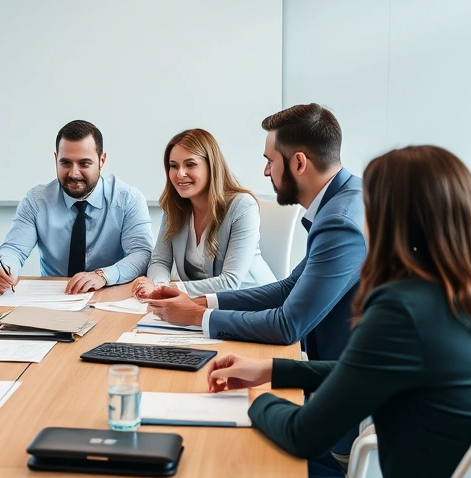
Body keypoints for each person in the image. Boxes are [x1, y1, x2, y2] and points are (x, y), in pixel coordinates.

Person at [203, 145, 471, 478]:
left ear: (392, 217)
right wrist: (272, 369)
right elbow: (364, 370)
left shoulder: (401, 307)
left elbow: (303, 434)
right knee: (316, 461)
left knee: (254, 461)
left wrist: (253, 403)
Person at [146, 104, 365, 364]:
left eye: (270, 161)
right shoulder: (345, 200)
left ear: (298, 162)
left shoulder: (339, 223)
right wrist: (203, 303)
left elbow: (287, 325)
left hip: (345, 378)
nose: (265, 171)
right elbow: (288, 288)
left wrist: (196, 316)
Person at [0, 119, 153, 294]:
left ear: (102, 160)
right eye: (65, 163)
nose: (74, 173)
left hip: (110, 294)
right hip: (54, 298)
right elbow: (13, 249)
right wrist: (1, 268)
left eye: (84, 164)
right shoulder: (36, 201)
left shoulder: (128, 199)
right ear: (55, 159)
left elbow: (141, 253)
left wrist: (103, 276)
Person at [131, 128, 275, 299]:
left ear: (211, 166)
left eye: (190, 164)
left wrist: (168, 290)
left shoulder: (242, 206)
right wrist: (160, 287)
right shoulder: (175, 208)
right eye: (173, 166)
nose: (180, 174)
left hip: (256, 306)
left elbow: (229, 282)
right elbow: (159, 260)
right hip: (206, 307)